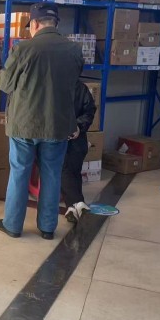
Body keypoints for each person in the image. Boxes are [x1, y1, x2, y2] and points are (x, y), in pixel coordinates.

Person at [0, 2, 83, 240]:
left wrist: (3, 72)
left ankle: (13, 225)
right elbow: (74, 83)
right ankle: (47, 228)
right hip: (57, 125)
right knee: (52, 175)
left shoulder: (23, 49)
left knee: (19, 173)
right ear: (56, 23)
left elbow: (5, 84)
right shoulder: (74, 50)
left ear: (34, 24)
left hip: (24, 125)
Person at [62, 81, 97, 223]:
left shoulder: (78, 87)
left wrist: (77, 126)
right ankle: (77, 204)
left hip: (69, 138)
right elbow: (90, 111)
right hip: (69, 138)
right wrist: (77, 126)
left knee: (68, 169)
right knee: (69, 169)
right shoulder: (80, 87)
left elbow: (90, 110)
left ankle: (73, 205)